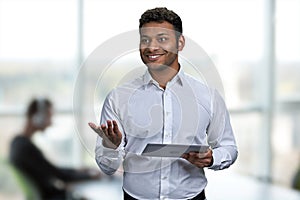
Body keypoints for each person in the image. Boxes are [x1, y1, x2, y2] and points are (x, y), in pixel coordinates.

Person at [89, 7, 238, 200]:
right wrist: (112, 146)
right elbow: (106, 167)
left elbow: (228, 147)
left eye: (162, 39)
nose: (151, 47)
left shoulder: (207, 96)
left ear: (180, 43)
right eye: (145, 40)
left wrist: (212, 158)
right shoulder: (118, 98)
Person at [9, 98, 100, 200]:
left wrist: (78, 170)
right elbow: (59, 175)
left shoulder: (17, 143)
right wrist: (91, 176)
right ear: (37, 117)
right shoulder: (26, 148)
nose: (50, 122)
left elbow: (50, 169)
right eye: (48, 116)